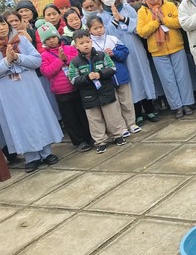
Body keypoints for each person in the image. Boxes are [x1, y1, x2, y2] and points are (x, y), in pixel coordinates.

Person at [0, 15, 63, 172]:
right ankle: (31, 157)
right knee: (20, 121)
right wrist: (7, 61)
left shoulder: (21, 40)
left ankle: (46, 153)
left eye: (2, 23)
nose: (1, 27)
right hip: (9, 91)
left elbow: (36, 60)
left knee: (38, 115)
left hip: (29, 86)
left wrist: (17, 57)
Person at [96, 0, 158, 121]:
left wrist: (123, 18)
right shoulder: (101, 15)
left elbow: (138, 26)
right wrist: (115, 19)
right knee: (130, 79)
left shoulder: (126, 8)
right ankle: (137, 113)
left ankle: (150, 108)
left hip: (135, 46)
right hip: (119, 51)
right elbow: (105, 33)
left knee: (142, 74)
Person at [137, 0, 195, 119]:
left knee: (183, 77)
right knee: (168, 80)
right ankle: (177, 106)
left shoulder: (170, 5)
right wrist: (156, 22)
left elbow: (179, 22)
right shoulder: (142, 11)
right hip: (158, 52)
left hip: (176, 46)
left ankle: (187, 103)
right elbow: (142, 32)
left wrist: (163, 19)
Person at [37, 21, 93, 152]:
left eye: (53, 37)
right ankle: (79, 141)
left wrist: (65, 59)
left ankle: (89, 136)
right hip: (61, 92)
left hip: (77, 87)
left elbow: (77, 62)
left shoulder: (69, 48)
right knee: (70, 118)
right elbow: (47, 72)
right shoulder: (43, 56)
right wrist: (59, 60)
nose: (52, 40)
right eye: (48, 39)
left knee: (83, 113)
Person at [68, 29, 126, 153]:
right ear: (76, 45)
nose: (85, 45)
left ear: (91, 41)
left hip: (106, 91)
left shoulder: (101, 55)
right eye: (81, 43)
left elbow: (112, 68)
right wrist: (87, 78)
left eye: (87, 41)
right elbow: (73, 79)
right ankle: (100, 141)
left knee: (112, 116)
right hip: (88, 95)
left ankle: (117, 136)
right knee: (95, 120)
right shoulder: (75, 62)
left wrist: (101, 74)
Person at [87, 16, 140, 136]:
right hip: (106, 80)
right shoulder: (90, 45)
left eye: (100, 27)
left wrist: (114, 53)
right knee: (113, 106)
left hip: (121, 76)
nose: (99, 30)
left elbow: (125, 53)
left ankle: (131, 123)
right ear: (89, 30)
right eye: (95, 28)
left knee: (126, 101)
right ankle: (121, 128)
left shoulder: (112, 39)